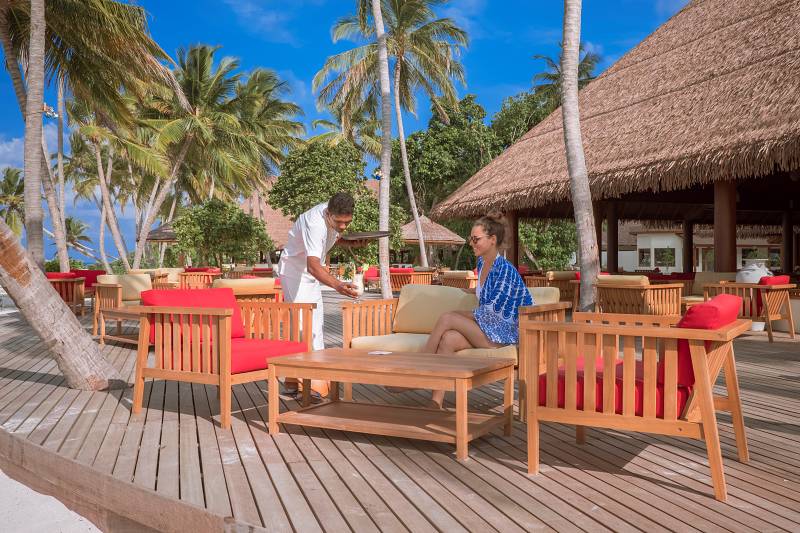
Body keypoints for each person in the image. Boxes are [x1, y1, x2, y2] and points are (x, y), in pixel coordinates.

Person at [423, 215, 533, 407]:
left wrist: (459, 314)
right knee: (448, 339)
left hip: (502, 335)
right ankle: (436, 402)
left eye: (476, 239)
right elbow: (487, 293)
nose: (471, 243)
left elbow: (494, 314)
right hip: (486, 331)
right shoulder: (482, 264)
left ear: (492, 240)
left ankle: (420, 369)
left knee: (448, 318)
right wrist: (471, 291)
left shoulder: (505, 270)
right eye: (471, 239)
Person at [277, 192, 364, 398]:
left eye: (347, 222)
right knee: (303, 327)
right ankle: (312, 382)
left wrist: (348, 243)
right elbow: (313, 265)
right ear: (328, 213)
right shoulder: (315, 222)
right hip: (295, 273)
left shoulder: (332, 219)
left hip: (311, 275)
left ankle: (295, 380)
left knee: (315, 326)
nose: (343, 226)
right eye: (339, 222)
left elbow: (325, 241)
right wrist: (338, 286)